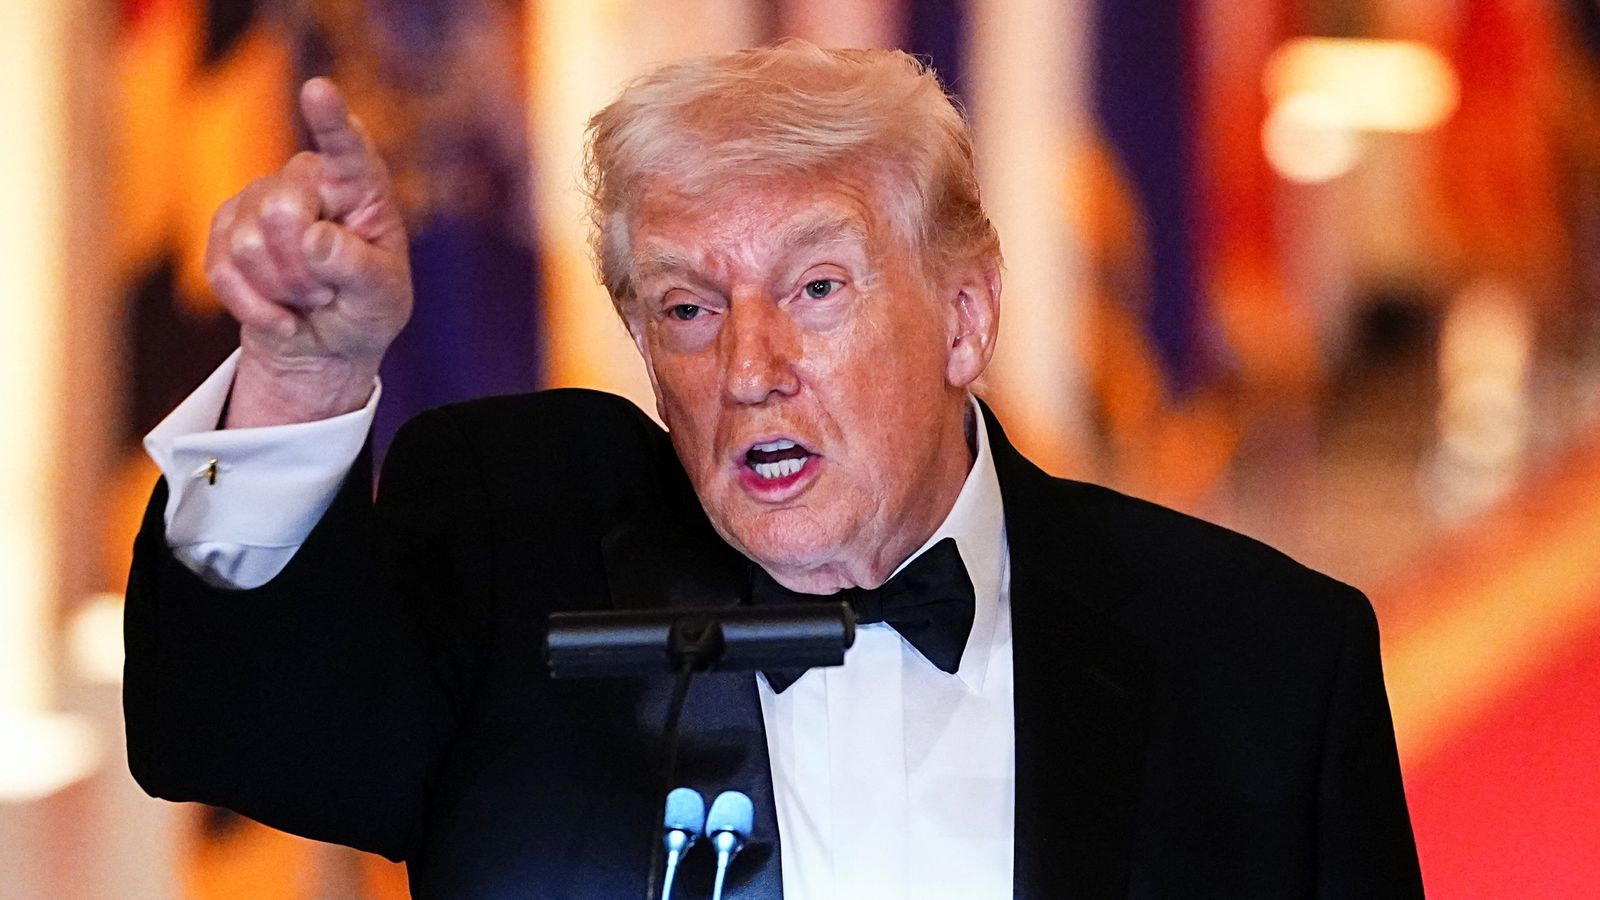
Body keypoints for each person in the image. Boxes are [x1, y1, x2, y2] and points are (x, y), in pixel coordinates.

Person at [125, 42, 1423, 899]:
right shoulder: (519, 556)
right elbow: (236, 731)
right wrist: (304, 374)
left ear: (965, 318)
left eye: (816, 288)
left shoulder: (1264, 665)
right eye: (689, 309)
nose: (753, 366)